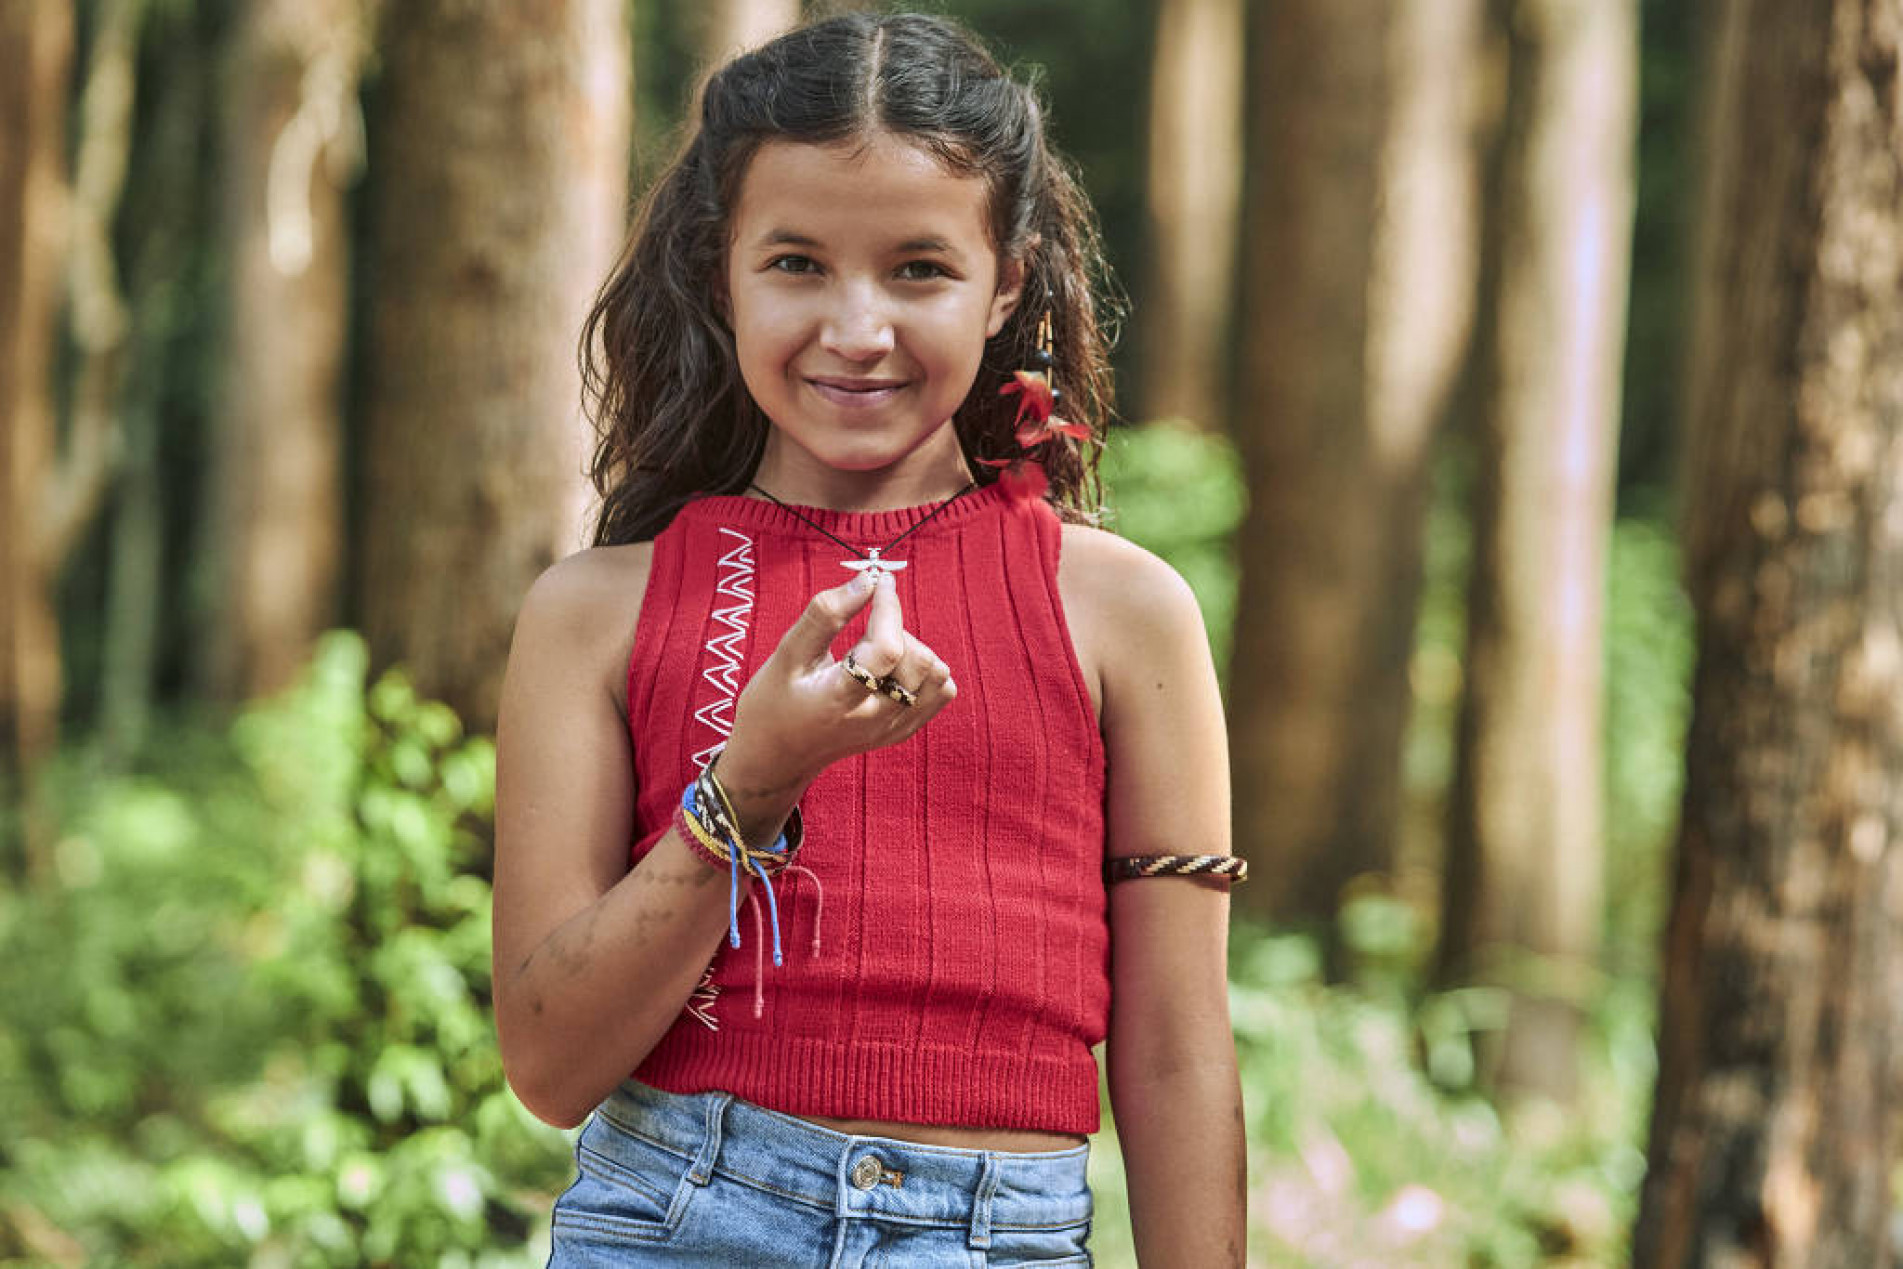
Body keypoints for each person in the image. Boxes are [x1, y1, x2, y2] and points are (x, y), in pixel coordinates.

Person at [492, 12, 1245, 1265]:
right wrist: (752, 785)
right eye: (794, 262)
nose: (856, 330)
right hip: (675, 1217)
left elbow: (1175, 1054)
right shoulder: (596, 613)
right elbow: (549, 1062)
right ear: (715, 267)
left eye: (918, 269)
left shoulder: (1122, 613)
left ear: (1006, 280)